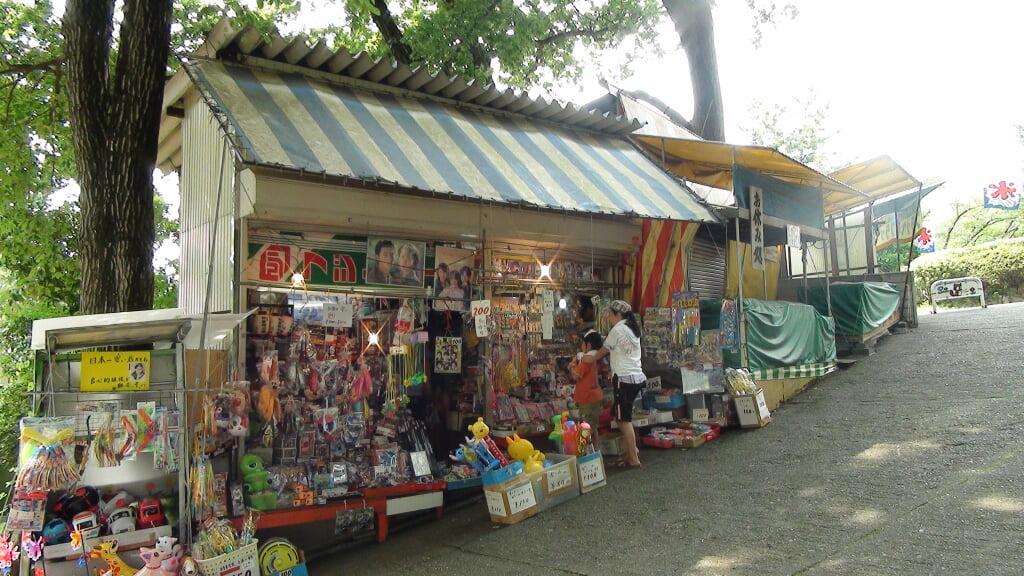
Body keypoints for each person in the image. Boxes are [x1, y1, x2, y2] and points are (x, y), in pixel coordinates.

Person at [582, 299, 645, 468]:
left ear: (619, 314)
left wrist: (585, 357)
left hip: (624, 378)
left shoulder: (618, 330)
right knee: (621, 417)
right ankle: (632, 450)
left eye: (610, 314)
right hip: (637, 377)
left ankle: (633, 457)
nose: (608, 318)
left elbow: (601, 352)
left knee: (623, 419)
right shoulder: (633, 328)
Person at [569, 329, 605, 439]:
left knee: (585, 428)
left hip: (587, 397)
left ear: (588, 345)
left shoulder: (586, 360)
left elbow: (576, 376)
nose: (581, 346)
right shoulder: (596, 358)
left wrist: (572, 365)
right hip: (596, 396)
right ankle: (596, 452)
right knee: (593, 427)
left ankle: (585, 451)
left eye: (583, 344)